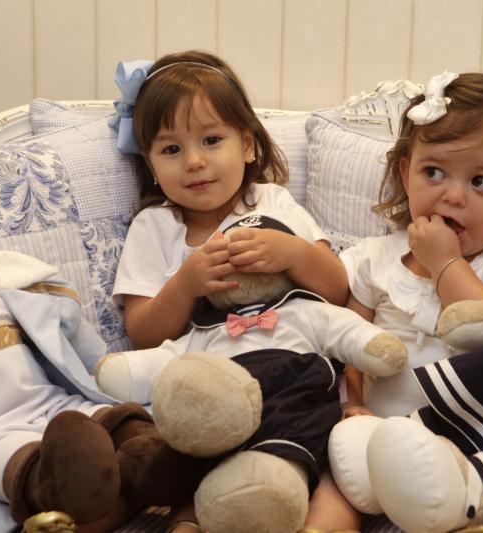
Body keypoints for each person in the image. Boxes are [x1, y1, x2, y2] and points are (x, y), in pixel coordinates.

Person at [108, 50, 356, 533]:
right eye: (171, 149)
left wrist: (293, 254)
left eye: (211, 140)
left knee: (326, 458)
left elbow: (336, 289)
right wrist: (185, 284)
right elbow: (142, 333)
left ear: (246, 144)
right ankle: (187, 521)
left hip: (290, 372)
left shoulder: (273, 202)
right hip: (208, 386)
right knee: (187, 456)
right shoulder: (155, 226)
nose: (194, 162)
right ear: (150, 165)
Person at [329, 71, 483, 530]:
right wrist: (350, 403)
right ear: (406, 172)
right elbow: (344, 345)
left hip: (473, 445)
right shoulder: (376, 258)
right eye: (433, 172)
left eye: (481, 181)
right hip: (376, 438)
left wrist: (445, 264)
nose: (453, 196)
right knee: (333, 472)